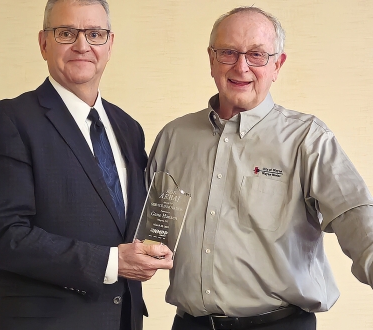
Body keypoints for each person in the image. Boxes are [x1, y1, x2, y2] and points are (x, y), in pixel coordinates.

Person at [148, 6, 373, 330]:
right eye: (228, 53)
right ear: (212, 59)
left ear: (277, 65)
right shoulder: (174, 137)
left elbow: (357, 218)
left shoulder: (307, 139)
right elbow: (146, 226)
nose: (241, 67)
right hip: (190, 324)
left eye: (256, 55)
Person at [0, 1, 173, 330]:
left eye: (95, 34)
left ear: (109, 44)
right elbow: (2, 236)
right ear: (43, 43)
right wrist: (112, 262)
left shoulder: (128, 128)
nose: (83, 45)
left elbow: (129, 221)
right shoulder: (8, 121)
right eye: (66, 33)